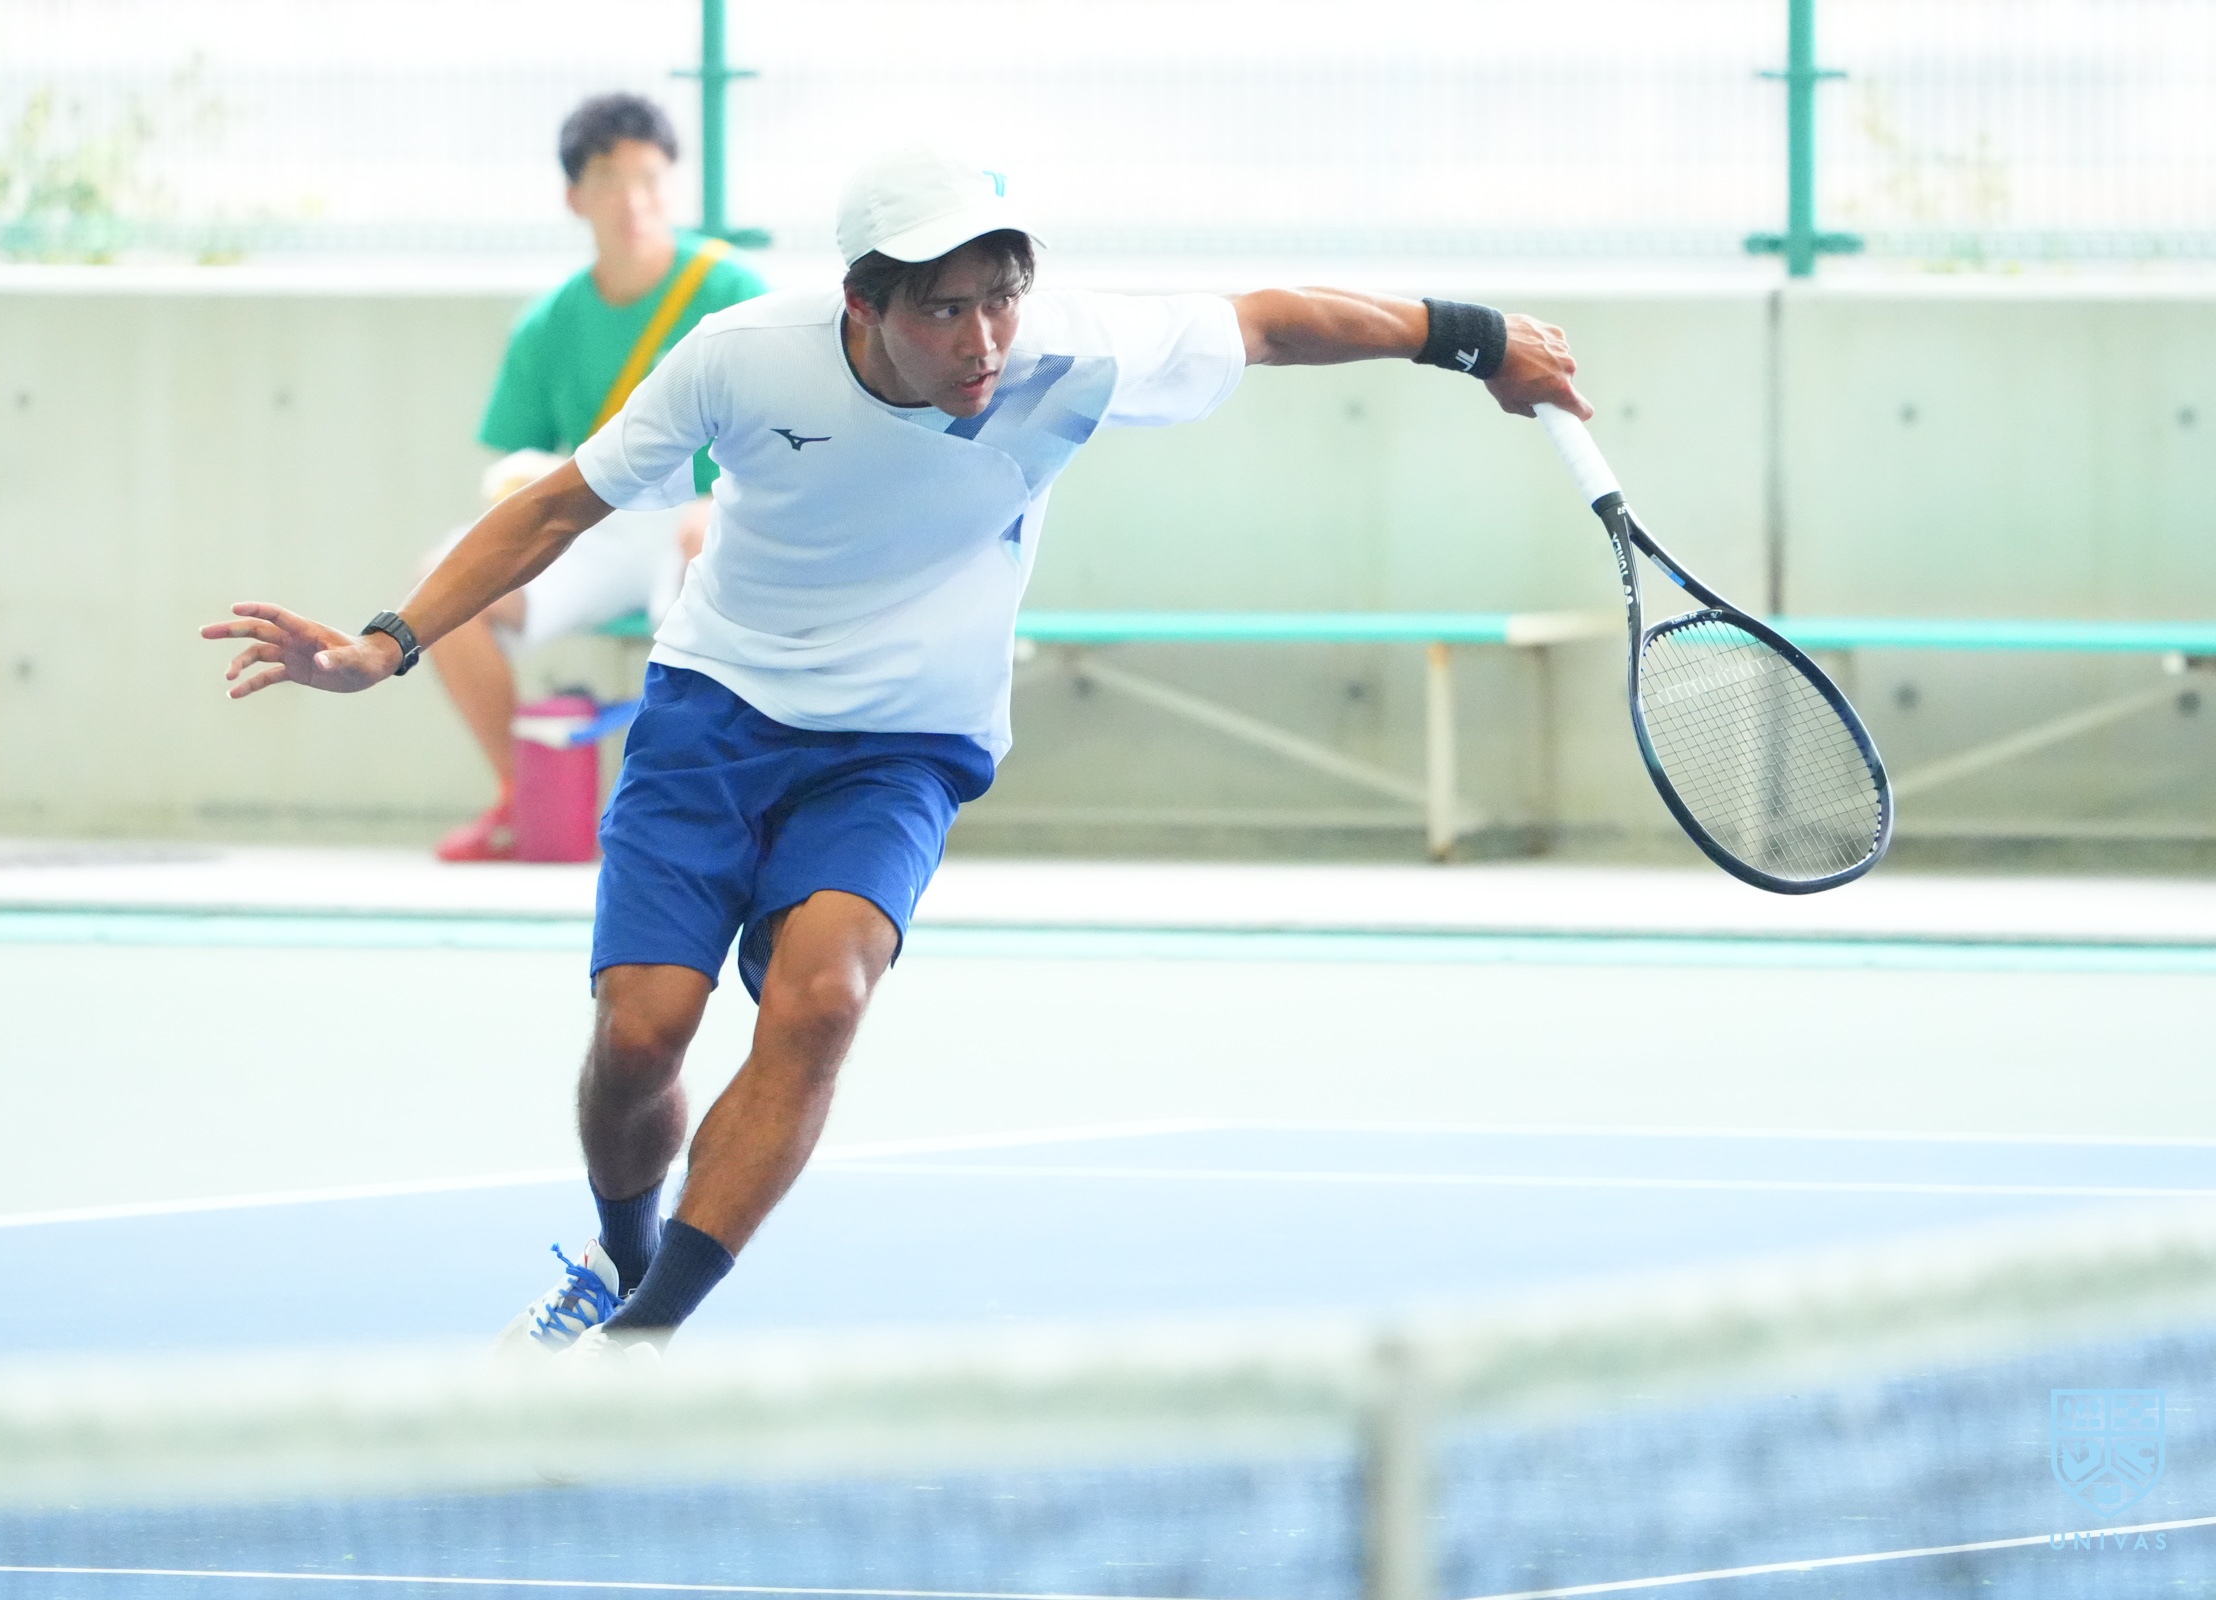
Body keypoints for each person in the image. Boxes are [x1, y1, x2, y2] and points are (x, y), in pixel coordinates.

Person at [201, 149, 1590, 1354]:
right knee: (640, 1037)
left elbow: (1274, 323)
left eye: (1001, 296)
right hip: (715, 712)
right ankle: (621, 1256)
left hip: (905, 745)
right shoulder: (745, 357)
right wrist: (387, 643)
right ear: (865, 305)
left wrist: (1473, 340)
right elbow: (561, 505)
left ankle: (644, 1337)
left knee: (823, 1000)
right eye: (944, 308)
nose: (984, 338)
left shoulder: (1071, 350)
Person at [429, 91, 768, 862]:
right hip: (601, 520)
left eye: (649, 178)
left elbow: (791, 438)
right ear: (575, 196)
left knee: (705, 563)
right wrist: (525, 484)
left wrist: (724, 502)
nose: (633, 200)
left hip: (715, 521)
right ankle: (526, 797)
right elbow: (521, 466)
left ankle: (715, 814)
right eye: (610, 179)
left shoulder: (738, 294)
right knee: (445, 580)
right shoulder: (548, 322)